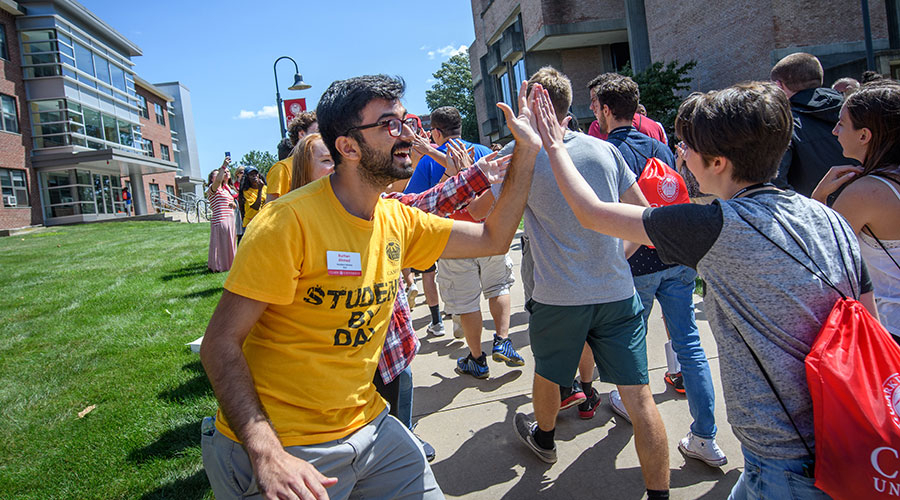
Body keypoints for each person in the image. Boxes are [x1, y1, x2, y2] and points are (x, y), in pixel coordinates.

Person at [199, 74, 541, 500]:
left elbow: (494, 238)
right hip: (287, 447)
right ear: (347, 146)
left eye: (406, 120)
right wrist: (267, 454)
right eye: (389, 125)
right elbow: (219, 343)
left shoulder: (398, 218)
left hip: (373, 428)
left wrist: (527, 151)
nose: (407, 135)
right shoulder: (286, 223)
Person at [531, 79, 876, 500]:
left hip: (784, 461)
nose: (681, 154)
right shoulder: (830, 219)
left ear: (716, 162)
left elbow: (590, 212)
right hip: (845, 432)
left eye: (687, 147)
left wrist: (554, 146)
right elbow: (867, 319)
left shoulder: (715, 226)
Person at [287, 130, 510, 463]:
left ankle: (404, 444)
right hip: (335, 369)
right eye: (325, 161)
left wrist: (478, 175)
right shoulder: (294, 228)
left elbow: (429, 203)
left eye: (340, 158)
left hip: (392, 353)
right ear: (305, 176)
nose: (338, 166)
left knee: (398, 421)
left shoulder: (384, 210)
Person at [505, 67, 669, 499]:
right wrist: (618, 257)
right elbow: (643, 215)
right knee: (639, 397)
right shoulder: (603, 150)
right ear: (569, 104)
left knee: (547, 371)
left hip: (558, 295)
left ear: (529, 101)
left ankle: (543, 440)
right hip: (617, 290)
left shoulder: (519, 152)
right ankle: (660, 494)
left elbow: (492, 216)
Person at [588, 72, 726, 466]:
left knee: (629, 345)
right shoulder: (660, 146)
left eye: (597, 105)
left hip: (637, 261)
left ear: (607, 109)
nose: (595, 112)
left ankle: (630, 405)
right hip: (676, 257)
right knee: (690, 345)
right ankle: (705, 435)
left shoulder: (605, 152)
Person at [406, 106, 523, 377]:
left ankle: (476, 358)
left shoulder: (427, 160)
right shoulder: (483, 151)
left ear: (435, 131)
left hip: (452, 239)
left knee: (467, 301)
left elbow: (414, 202)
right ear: (460, 127)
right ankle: (503, 340)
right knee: (498, 286)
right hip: (488, 234)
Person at [812, 80, 900, 341]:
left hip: (891, 329)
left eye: (841, 123)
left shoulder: (866, 192)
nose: (834, 131)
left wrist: (818, 197)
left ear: (864, 135)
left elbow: (820, 255)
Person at [771, 52, 855, 196]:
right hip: (874, 207)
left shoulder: (785, 124)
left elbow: (776, 184)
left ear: (779, 86)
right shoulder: (857, 111)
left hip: (816, 213)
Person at [267, 111, 318, 203]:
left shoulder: (327, 167)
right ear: (302, 134)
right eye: (318, 132)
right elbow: (271, 211)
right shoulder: (282, 169)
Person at [206, 157, 237, 272]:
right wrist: (224, 166)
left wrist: (233, 204)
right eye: (217, 174)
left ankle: (230, 264)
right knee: (221, 244)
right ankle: (219, 265)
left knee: (229, 242)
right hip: (221, 220)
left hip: (230, 219)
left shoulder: (225, 190)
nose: (221, 174)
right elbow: (217, 181)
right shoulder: (213, 189)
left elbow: (230, 201)